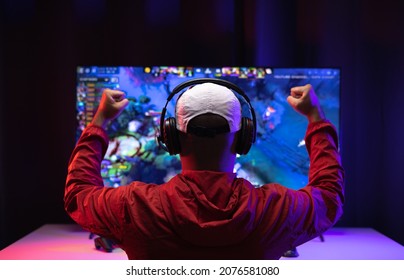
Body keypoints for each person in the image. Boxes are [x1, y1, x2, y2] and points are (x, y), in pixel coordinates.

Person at [64, 80, 344, 259]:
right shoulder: (277, 209)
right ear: (243, 138)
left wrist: (99, 121)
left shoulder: (133, 207)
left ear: (171, 137)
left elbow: (78, 195)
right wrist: (315, 118)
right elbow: (329, 197)